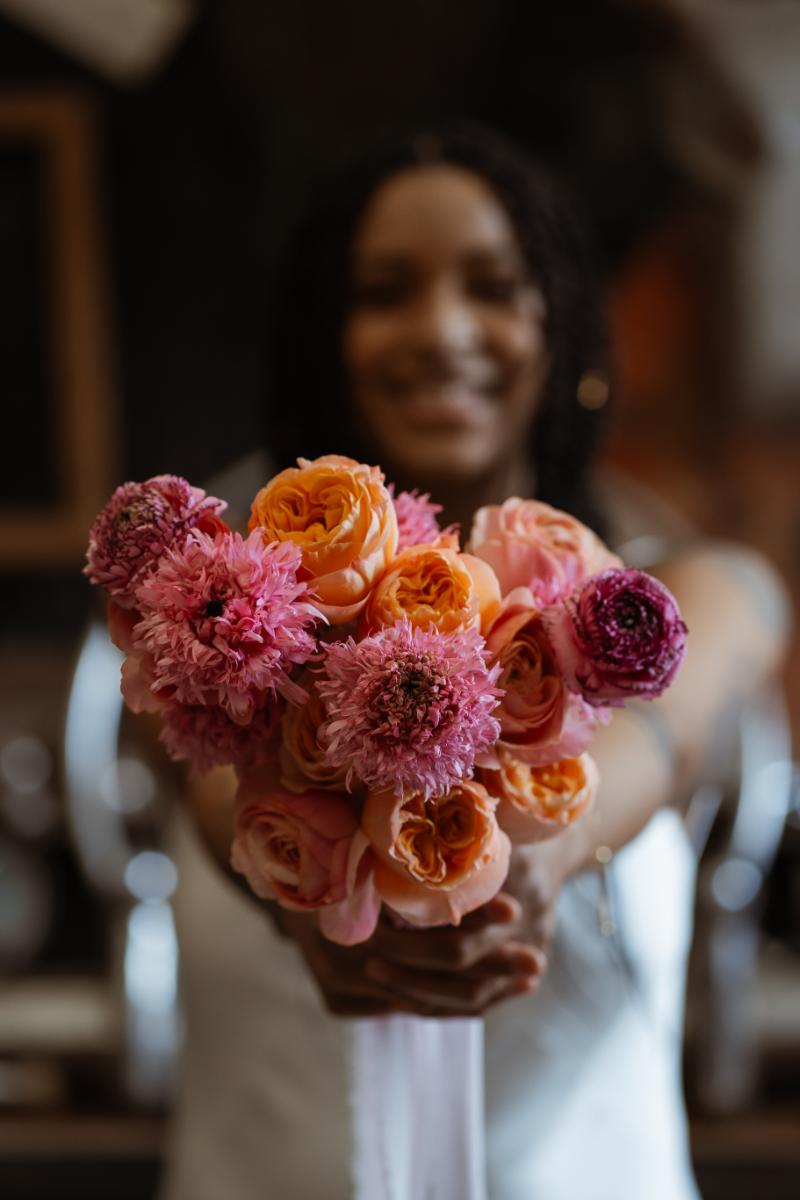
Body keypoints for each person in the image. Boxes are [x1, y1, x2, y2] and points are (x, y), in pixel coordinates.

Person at [159, 122, 788, 1200]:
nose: (441, 330)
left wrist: (537, 851)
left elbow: (651, 732)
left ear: (562, 331)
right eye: (383, 291)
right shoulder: (193, 615)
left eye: (493, 286)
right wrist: (309, 898)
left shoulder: (703, 589)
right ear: (322, 333)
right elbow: (211, 778)